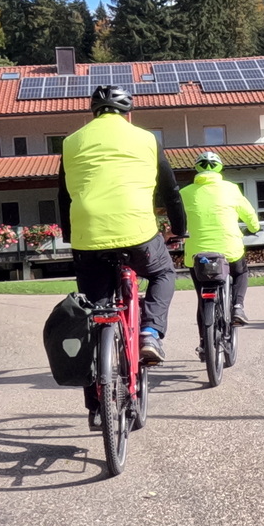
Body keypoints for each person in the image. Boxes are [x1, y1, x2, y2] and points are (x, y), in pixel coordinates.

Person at [57, 85, 187, 430]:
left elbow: (63, 196)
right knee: (163, 273)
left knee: (93, 315)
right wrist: (180, 229)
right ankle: (149, 333)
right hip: (138, 233)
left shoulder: (71, 142)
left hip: (88, 238)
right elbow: (171, 191)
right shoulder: (146, 139)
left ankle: (96, 408)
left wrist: (72, 237)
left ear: (93, 114)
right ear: (128, 114)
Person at [180, 151, 260, 337]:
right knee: (240, 272)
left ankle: (204, 343)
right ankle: (238, 306)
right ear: (219, 167)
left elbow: (176, 221)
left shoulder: (184, 193)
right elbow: (249, 215)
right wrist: (254, 228)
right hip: (229, 249)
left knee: (202, 298)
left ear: (197, 168)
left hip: (197, 253)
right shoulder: (231, 189)